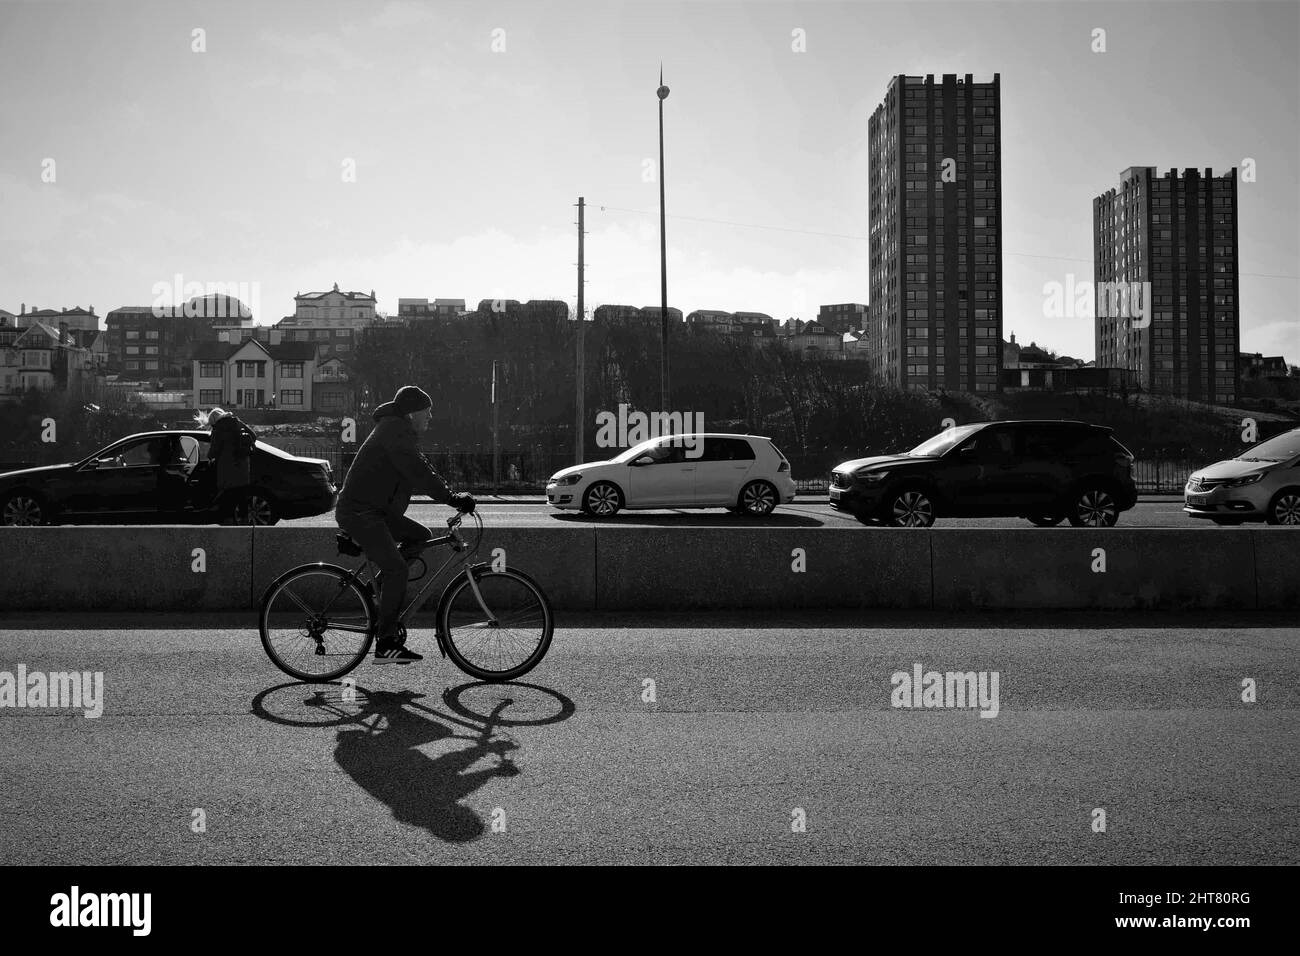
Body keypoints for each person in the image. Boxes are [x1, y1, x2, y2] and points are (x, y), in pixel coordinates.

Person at [336, 385, 475, 664]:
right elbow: (419, 472)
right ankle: (386, 643)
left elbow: (422, 466)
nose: (431, 417)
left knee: (419, 536)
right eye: (427, 411)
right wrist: (451, 498)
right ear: (412, 414)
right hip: (362, 513)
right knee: (397, 568)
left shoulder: (398, 431)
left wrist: (451, 494)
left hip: (376, 511)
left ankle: (377, 593)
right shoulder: (394, 432)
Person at [202, 407, 256, 525]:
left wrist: (209, 456)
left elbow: (213, 452)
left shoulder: (218, 430)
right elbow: (253, 436)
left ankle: (229, 531)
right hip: (243, 469)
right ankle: (245, 529)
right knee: (242, 502)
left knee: (227, 504)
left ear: (214, 421)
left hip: (227, 472)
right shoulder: (237, 422)